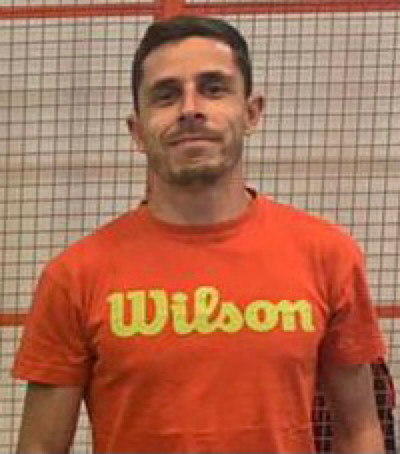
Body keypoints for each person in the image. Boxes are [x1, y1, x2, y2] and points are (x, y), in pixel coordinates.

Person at [13, 15, 387, 454]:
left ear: (251, 113)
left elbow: (359, 432)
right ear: (137, 131)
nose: (190, 108)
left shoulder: (328, 255)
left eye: (213, 88)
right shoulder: (74, 276)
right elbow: (39, 447)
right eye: (166, 95)